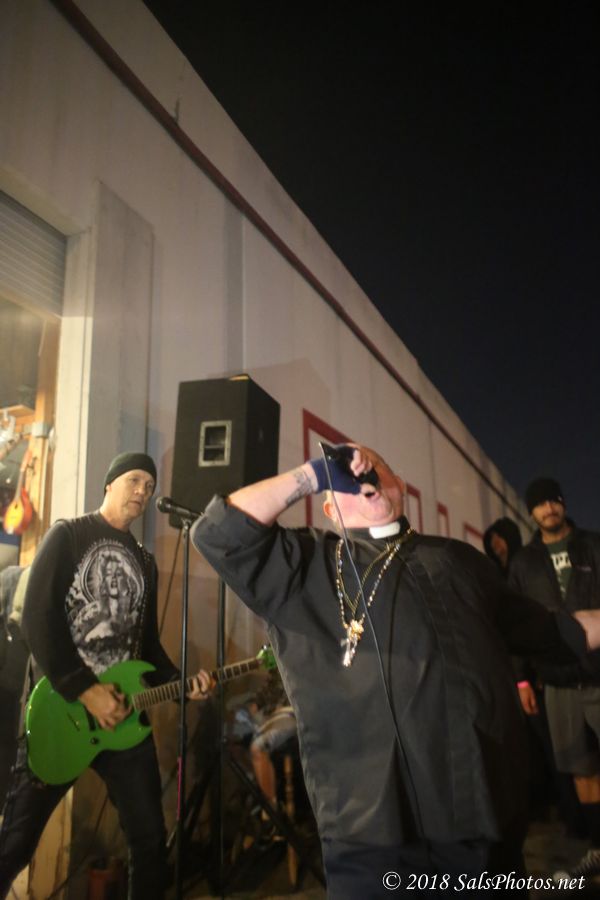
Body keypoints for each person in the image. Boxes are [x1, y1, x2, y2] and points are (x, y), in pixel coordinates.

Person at [192, 444, 600, 898]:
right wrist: (314, 474)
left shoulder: (459, 559)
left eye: (375, 466)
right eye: (346, 474)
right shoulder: (304, 566)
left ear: (399, 487)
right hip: (370, 835)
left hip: (478, 821)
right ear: (329, 508)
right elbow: (219, 533)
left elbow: (551, 629)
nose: (362, 472)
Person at [0, 452, 212, 900]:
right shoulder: (68, 535)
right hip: (61, 711)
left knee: (149, 841)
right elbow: (37, 617)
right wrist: (84, 690)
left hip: (122, 719)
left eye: (149, 487)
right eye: (134, 480)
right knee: (15, 844)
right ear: (109, 483)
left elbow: (146, 647)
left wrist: (181, 684)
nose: (143, 491)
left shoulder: (145, 563)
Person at [509, 477, 600, 879]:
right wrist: (522, 680)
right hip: (558, 682)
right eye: (540, 504)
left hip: (599, 674)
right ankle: (597, 850)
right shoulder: (523, 563)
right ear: (531, 512)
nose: (549, 509)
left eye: (554, 501)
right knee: (581, 768)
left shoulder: (593, 545)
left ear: (563, 504)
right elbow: (515, 621)